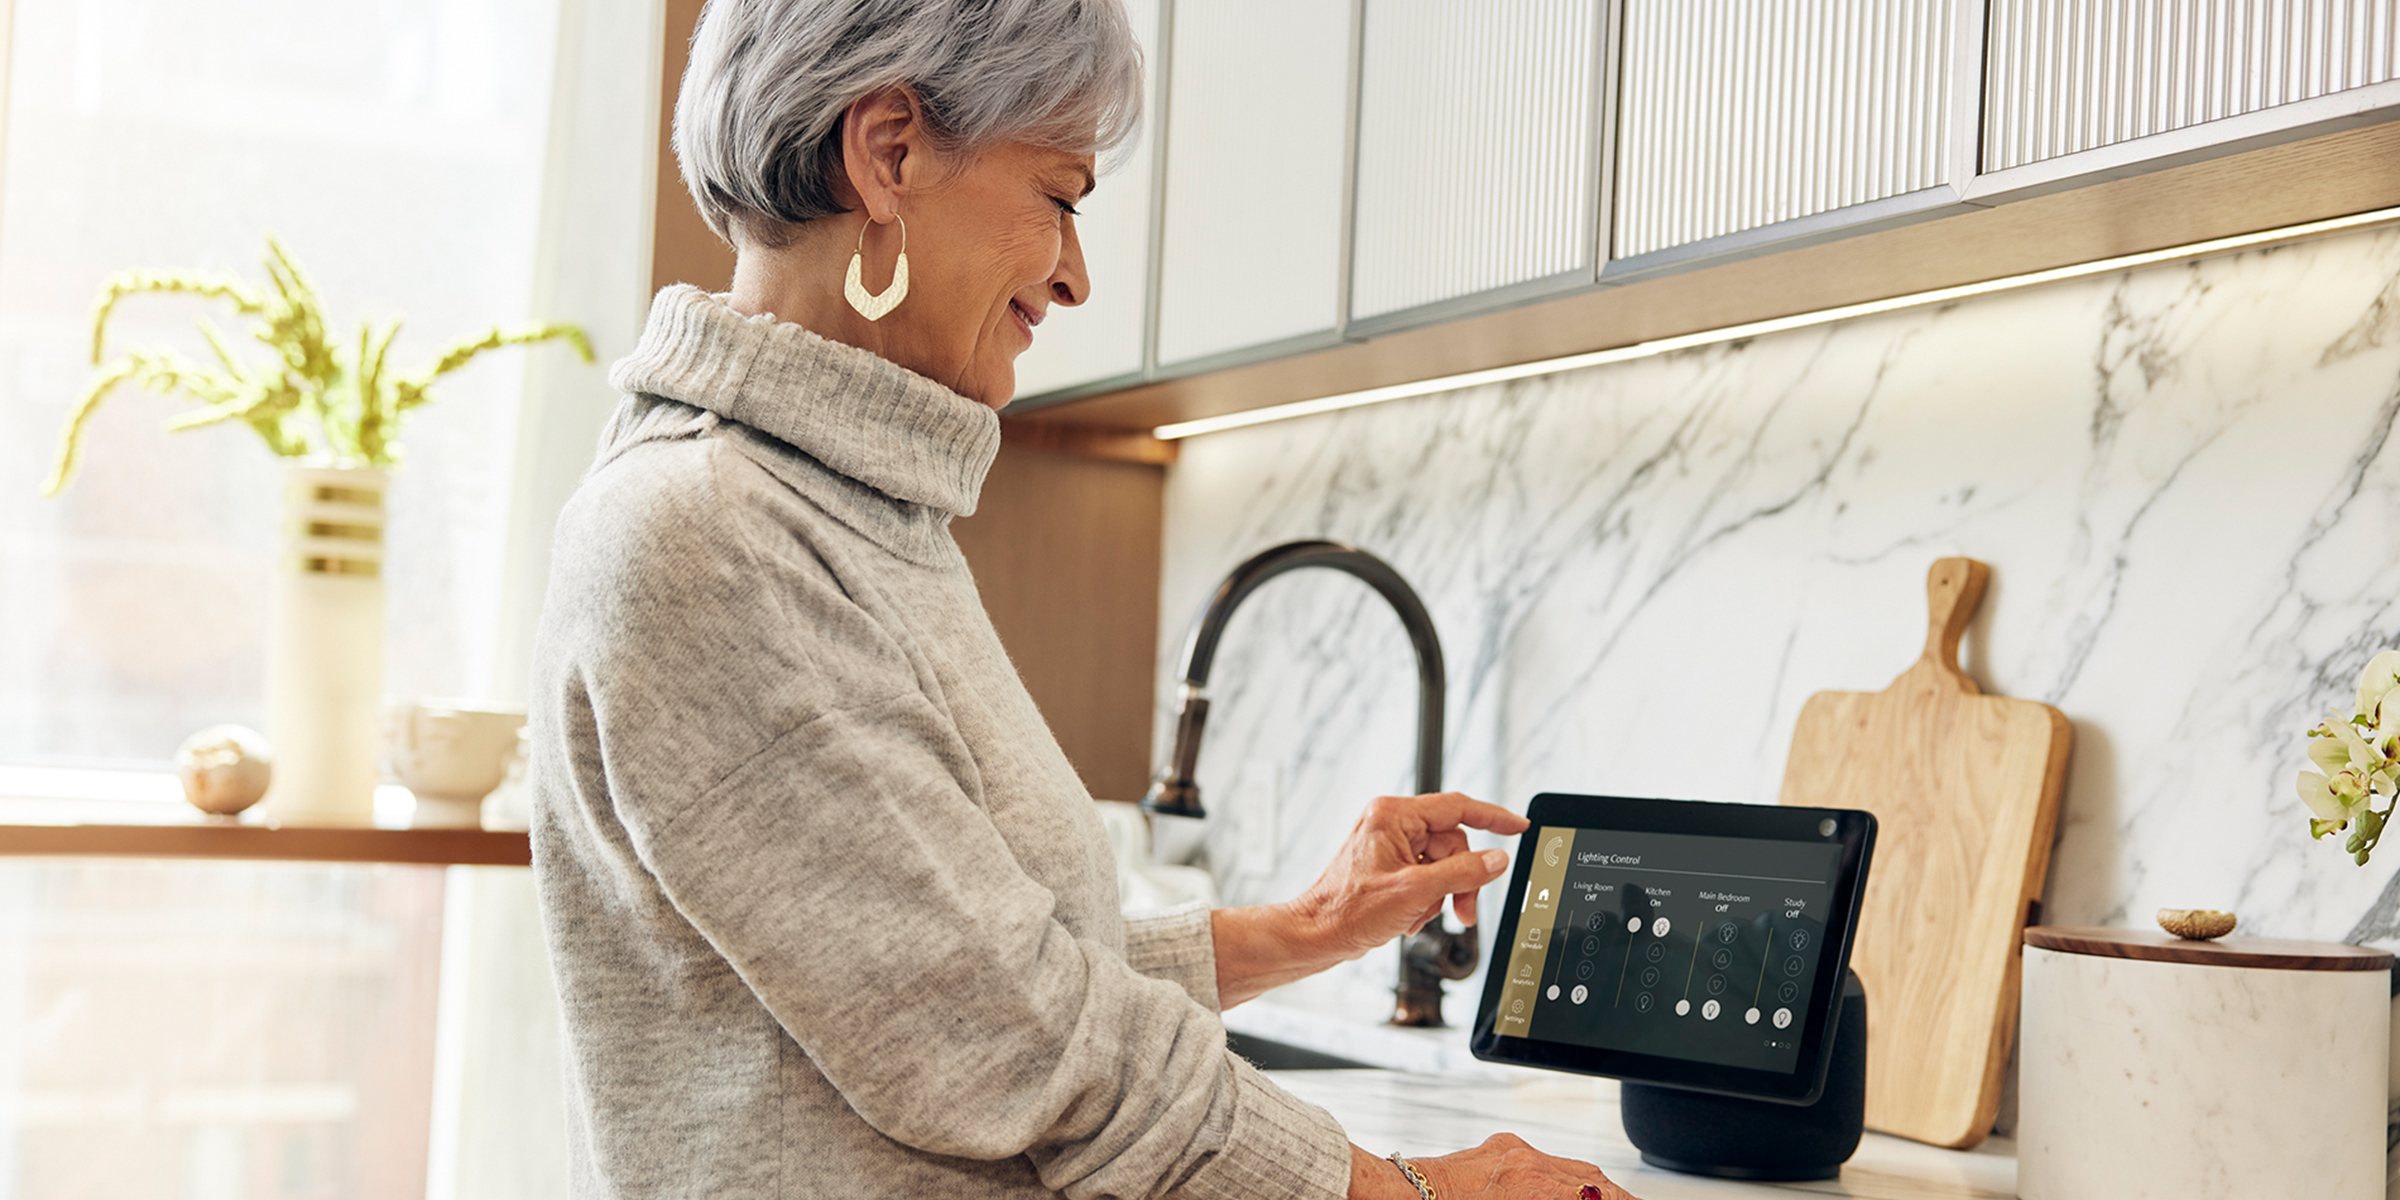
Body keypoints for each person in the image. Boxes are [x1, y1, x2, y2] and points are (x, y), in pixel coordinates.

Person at [525, 1, 1638, 1197]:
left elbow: (979, 969)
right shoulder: (712, 536)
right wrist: (1402, 1190)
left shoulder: (839, 510)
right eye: (1059, 197)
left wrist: (1308, 928)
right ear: (889, 154)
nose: (1076, 275)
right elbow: (1003, 1039)